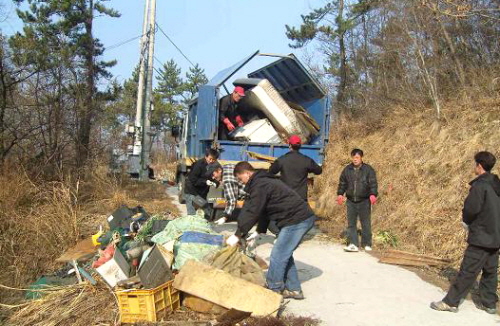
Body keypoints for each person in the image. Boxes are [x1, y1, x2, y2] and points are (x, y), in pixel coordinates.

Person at [226, 162, 316, 300]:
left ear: (247, 173)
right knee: (284, 254)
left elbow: (253, 211)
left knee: (278, 255)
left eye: (240, 178)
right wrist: (259, 230)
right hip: (294, 219)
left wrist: (238, 234)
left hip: (297, 219)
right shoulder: (262, 182)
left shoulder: (260, 184)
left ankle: (273, 289)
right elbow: (264, 210)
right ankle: (294, 289)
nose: (241, 182)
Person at [431, 151, 500, 314]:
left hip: (481, 237)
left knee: (468, 271)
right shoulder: (497, 185)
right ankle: (489, 304)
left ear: (480, 166)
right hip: (496, 236)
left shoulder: (480, 185)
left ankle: (451, 302)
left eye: (475, 164)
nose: (474, 167)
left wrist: (467, 222)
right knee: (490, 271)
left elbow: (471, 209)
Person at [337, 148, 378, 252]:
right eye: (353, 157)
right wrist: (340, 194)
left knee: (365, 223)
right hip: (351, 201)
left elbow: (373, 183)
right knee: (351, 224)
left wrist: (373, 194)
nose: (355, 159)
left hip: (364, 200)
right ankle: (353, 244)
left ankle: (367, 243)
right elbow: (342, 183)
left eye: (357, 157)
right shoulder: (347, 170)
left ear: (361, 158)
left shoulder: (368, 169)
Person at [269, 135, 323, 201]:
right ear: (300, 146)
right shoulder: (306, 160)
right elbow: (319, 171)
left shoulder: (282, 159)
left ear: (289, 145)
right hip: (301, 199)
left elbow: (271, 171)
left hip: (285, 198)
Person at [184, 148, 220, 215]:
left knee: (206, 211)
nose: (211, 161)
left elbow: (215, 176)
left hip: (201, 193)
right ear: (206, 157)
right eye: (210, 159)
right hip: (191, 191)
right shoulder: (199, 165)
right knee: (192, 214)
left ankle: (205, 223)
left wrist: (215, 182)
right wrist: (205, 182)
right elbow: (193, 179)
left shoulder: (215, 165)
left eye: (214, 159)